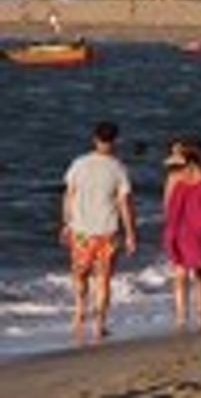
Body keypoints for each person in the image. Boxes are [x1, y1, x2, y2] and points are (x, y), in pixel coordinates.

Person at [61, 121, 137, 340]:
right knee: (103, 279)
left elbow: (69, 194)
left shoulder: (79, 164)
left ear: (95, 138)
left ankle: (78, 313)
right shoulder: (118, 168)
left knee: (80, 275)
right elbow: (124, 203)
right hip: (107, 231)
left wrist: (66, 222)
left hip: (81, 230)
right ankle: (99, 324)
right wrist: (131, 234)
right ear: (115, 141)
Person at [163, 142, 201, 329]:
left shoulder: (177, 178)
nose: (174, 163)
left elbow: (166, 205)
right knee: (196, 273)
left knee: (189, 273)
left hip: (189, 227)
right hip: (193, 227)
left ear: (188, 159)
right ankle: (197, 311)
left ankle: (189, 314)